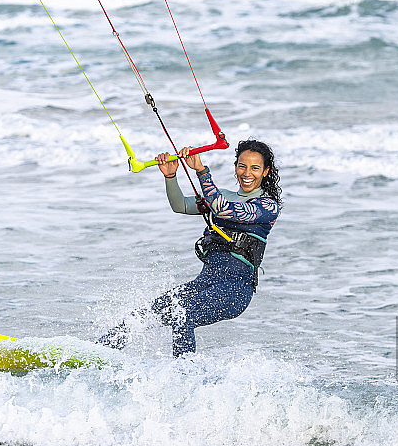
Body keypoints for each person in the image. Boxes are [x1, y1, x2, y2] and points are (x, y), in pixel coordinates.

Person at [98, 139, 282, 357]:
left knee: (182, 314)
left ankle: (183, 374)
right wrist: (170, 177)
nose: (247, 173)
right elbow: (181, 205)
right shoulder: (223, 195)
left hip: (235, 289)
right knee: (147, 313)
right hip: (205, 283)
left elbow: (221, 210)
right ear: (235, 167)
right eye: (242, 166)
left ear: (266, 171)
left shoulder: (267, 206)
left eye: (255, 168)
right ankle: (98, 351)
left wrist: (202, 171)